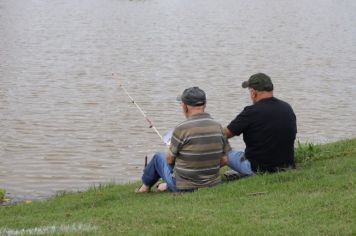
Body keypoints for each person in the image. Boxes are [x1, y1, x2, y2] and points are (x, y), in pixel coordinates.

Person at [136, 87, 231, 193]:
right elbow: (225, 160)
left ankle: (144, 188)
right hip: (213, 185)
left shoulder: (181, 129)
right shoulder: (218, 127)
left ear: (185, 107)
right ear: (204, 104)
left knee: (159, 157)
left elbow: (169, 160)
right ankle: (162, 186)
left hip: (184, 187)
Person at [221, 73, 297, 175]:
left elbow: (224, 134)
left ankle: (203, 178)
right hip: (286, 165)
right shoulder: (287, 107)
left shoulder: (251, 112)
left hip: (258, 169)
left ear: (253, 92)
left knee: (225, 152)